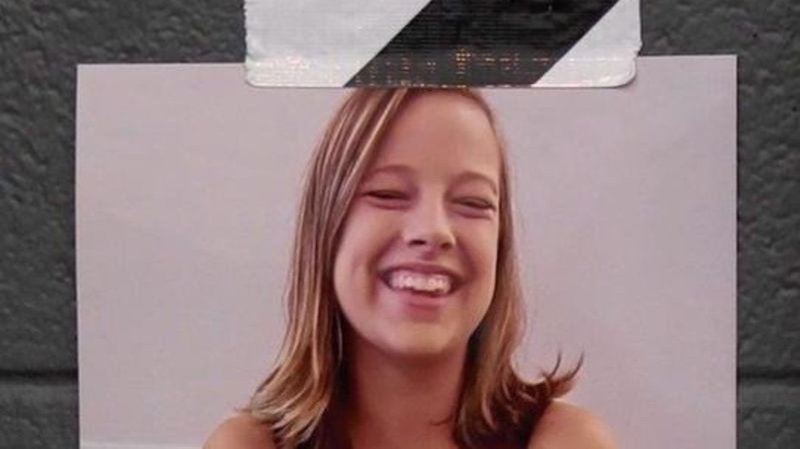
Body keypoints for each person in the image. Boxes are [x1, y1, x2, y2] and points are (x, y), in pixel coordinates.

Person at [205, 88, 617, 449]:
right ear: (326, 231)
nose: (433, 231)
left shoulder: (564, 439)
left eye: (472, 203)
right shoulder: (248, 445)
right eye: (387, 194)